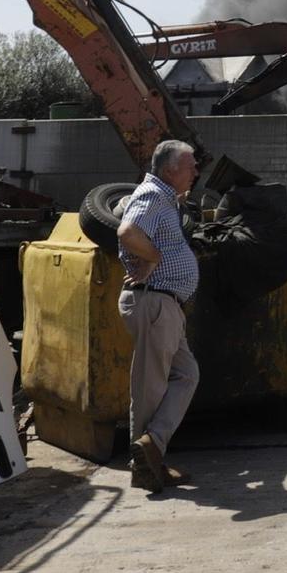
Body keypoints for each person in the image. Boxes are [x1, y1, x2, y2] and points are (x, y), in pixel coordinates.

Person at [116, 139, 203, 495]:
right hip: (154, 303)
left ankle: (152, 446)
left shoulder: (165, 198)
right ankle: (146, 468)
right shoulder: (152, 195)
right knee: (150, 388)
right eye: (190, 165)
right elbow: (127, 232)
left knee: (187, 374)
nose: (195, 171)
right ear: (169, 169)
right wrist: (152, 257)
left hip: (164, 305)